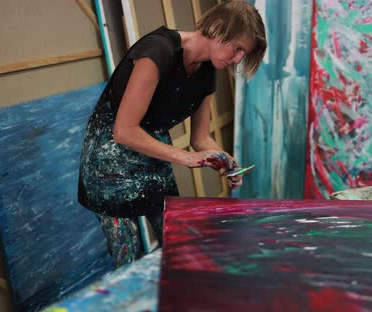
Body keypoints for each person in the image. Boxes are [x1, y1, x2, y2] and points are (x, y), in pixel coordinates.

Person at [77, 0, 266, 266]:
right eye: (237, 48)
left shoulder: (209, 71)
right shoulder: (159, 50)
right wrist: (185, 158)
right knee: (127, 258)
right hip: (108, 160)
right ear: (218, 27)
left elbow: (200, 138)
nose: (237, 59)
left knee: (177, 244)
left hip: (153, 154)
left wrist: (227, 163)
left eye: (242, 54)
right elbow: (124, 131)